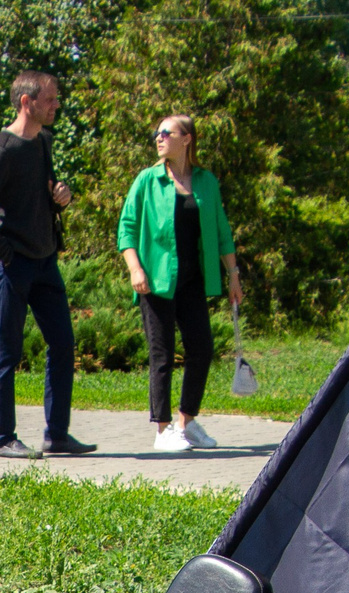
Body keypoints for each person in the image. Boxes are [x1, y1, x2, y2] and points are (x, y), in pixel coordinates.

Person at [0, 71, 94, 460]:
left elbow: (41, 195)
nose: (57, 105)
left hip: (45, 262)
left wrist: (60, 197)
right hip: (14, 265)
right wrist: (4, 253)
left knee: (63, 343)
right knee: (7, 350)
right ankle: (2, 437)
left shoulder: (43, 143)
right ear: (27, 102)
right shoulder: (2, 149)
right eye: (51, 99)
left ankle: (57, 435)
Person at [116, 113, 243, 454]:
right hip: (155, 280)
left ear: (186, 139)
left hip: (192, 280)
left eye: (166, 133)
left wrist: (233, 274)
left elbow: (221, 229)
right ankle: (162, 430)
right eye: (156, 133)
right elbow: (126, 228)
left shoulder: (205, 181)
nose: (158, 138)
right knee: (162, 353)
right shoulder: (147, 180)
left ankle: (186, 422)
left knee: (201, 349)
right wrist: (135, 269)